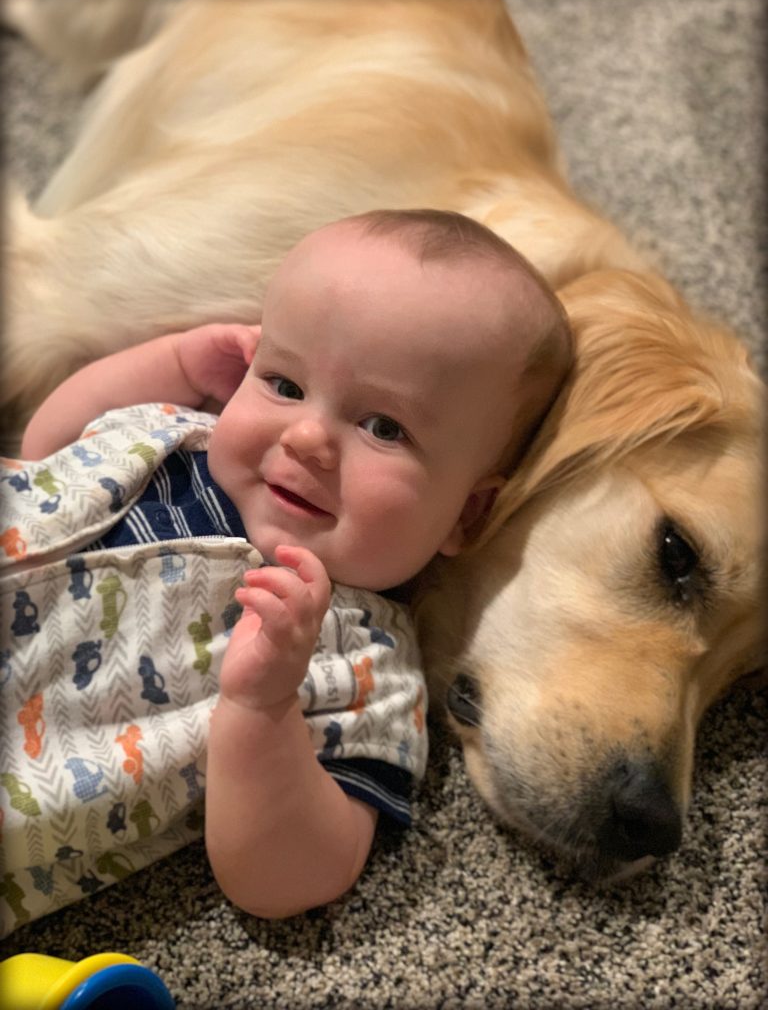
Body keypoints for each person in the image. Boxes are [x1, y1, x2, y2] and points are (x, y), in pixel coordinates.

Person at [1, 209, 571, 933]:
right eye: (284, 383)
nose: (306, 437)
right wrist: (176, 363)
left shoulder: (365, 669)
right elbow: (48, 447)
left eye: (383, 427)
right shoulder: (177, 432)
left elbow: (288, 879)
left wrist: (261, 709)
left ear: (466, 515)